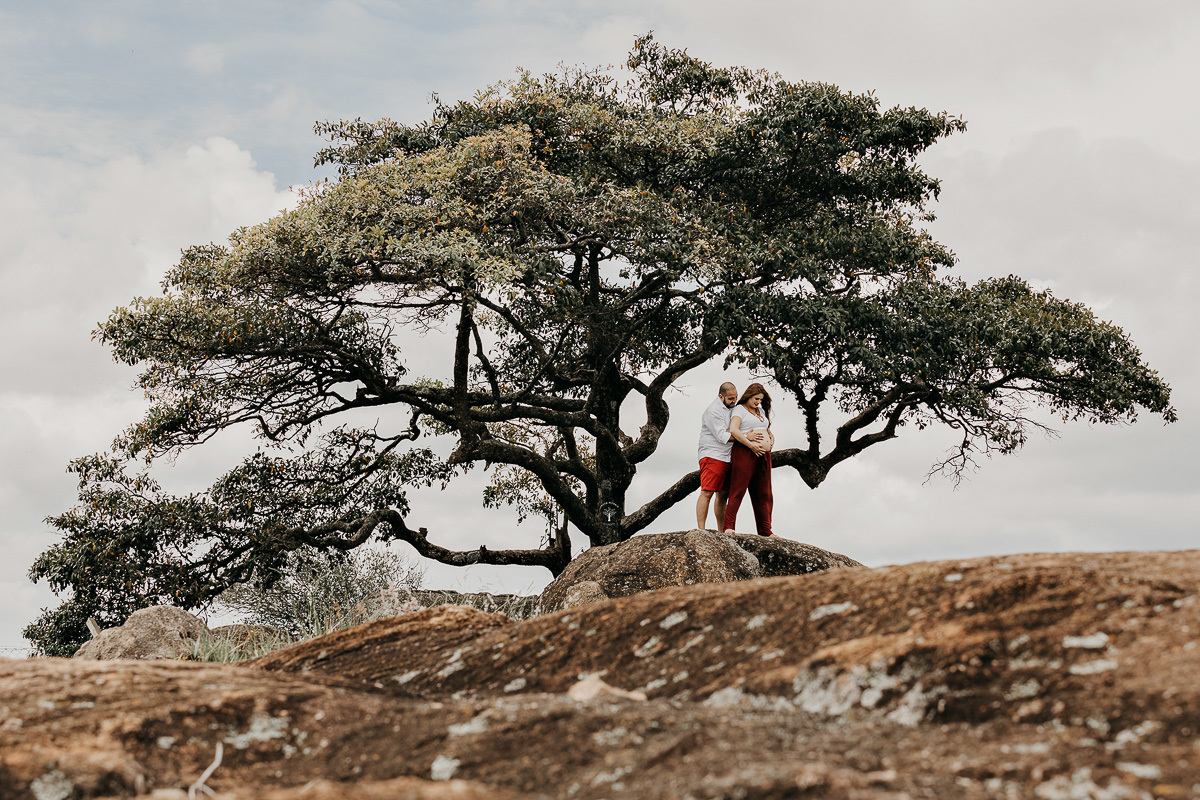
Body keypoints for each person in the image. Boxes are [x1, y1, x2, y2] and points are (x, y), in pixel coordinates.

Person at [696, 382, 766, 532]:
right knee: (707, 491)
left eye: (735, 397)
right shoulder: (713, 411)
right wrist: (748, 437)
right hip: (713, 454)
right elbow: (723, 436)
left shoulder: (734, 408)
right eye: (730, 399)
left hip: (729, 456)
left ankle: (721, 531)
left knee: (723, 494)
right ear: (721, 396)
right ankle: (701, 530)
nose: (734, 401)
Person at [723, 383, 775, 537]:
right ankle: (729, 527)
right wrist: (751, 445)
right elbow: (734, 429)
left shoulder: (759, 411)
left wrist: (771, 436)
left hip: (763, 455)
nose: (758, 402)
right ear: (749, 395)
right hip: (745, 452)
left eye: (760, 400)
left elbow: (765, 427)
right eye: (756, 399)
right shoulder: (740, 409)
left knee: (764, 493)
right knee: (738, 490)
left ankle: (766, 530)